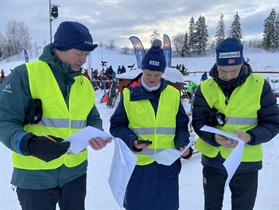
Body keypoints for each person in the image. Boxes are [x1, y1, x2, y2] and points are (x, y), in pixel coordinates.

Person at [0, 21, 112, 210]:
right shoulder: (26, 74)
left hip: (75, 173)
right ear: (61, 47)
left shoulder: (83, 83)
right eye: (79, 53)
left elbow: (91, 116)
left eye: (87, 54)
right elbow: (4, 120)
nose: (84, 59)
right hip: (35, 177)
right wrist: (30, 143)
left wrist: (97, 134)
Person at [192, 38, 279, 210]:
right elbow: (198, 122)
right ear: (216, 64)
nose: (228, 75)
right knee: (211, 206)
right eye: (223, 70)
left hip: (246, 162)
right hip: (213, 160)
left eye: (234, 70)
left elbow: (273, 123)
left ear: (243, 64)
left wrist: (250, 137)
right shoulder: (205, 87)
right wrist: (213, 137)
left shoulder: (260, 85)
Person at [110, 39, 191, 210]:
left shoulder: (173, 95)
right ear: (142, 71)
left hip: (166, 168)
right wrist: (132, 141)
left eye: (157, 75)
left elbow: (182, 125)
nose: (153, 78)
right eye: (148, 74)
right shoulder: (129, 95)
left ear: (163, 73)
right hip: (139, 168)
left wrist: (183, 143)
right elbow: (117, 127)